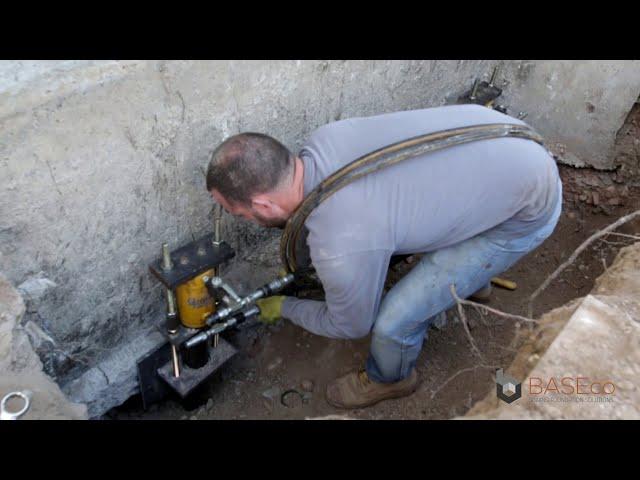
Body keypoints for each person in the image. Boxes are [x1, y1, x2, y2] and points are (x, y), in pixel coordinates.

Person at [205, 104, 562, 409]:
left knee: (393, 322)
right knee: (434, 219)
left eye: (241, 214)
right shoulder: (326, 138)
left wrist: (283, 307)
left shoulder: (341, 240)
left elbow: (351, 324)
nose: (247, 220)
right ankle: (473, 282)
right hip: (508, 139)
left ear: (263, 204)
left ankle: (390, 378)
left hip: (524, 213)